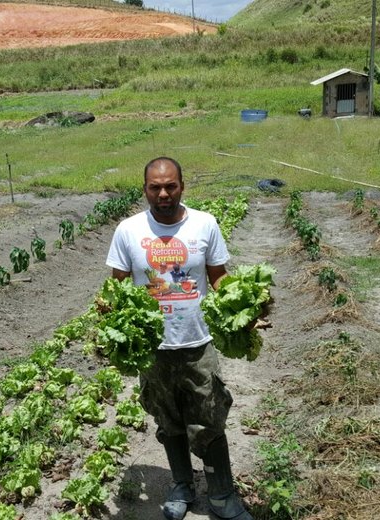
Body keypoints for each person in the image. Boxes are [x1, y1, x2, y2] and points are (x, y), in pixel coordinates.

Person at [106, 157, 253, 520]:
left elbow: (219, 277)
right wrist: (107, 319)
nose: (163, 194)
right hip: (154, 349)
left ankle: (222, 494)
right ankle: (182, 485)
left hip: (197, 342)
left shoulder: (204, 224)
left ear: (182, 187)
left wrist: (246, 309)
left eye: (170, 186)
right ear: (145, 190)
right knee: (168, 419)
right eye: (155, 187)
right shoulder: (128, 230)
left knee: (210, 417)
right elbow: (116, 288)